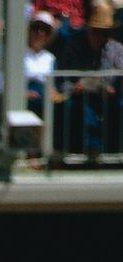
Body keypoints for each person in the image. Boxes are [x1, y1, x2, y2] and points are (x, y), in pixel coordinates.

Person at [56, 2, 123, 156]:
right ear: (88, 30)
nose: (99, 37)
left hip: (110, 98)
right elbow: (62, 80)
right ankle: (92, 150)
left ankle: (115, 151)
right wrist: (74, 88)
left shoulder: (117, 49)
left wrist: (115, 89)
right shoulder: (73, 47)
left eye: (104, 33)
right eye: (96, 31)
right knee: (84, 108)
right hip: (80, 97)